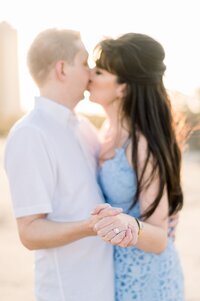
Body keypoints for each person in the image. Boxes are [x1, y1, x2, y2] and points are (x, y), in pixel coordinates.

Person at [4, 28, 124, 301]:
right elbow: (30, 232)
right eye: (83, 63)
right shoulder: (30, 134)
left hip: (105, 287)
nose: (91, 72)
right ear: (62, 69)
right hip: (68, 292)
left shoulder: (82, 126)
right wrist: (90, 226)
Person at [88, 33, 184, 301]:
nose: (89, 76)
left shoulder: (141, 144)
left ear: (123, 87)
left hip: (148, 280)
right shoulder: (105, 130)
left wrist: (125, 223)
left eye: (99, 71)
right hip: (113, 273)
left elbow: (159, 238)